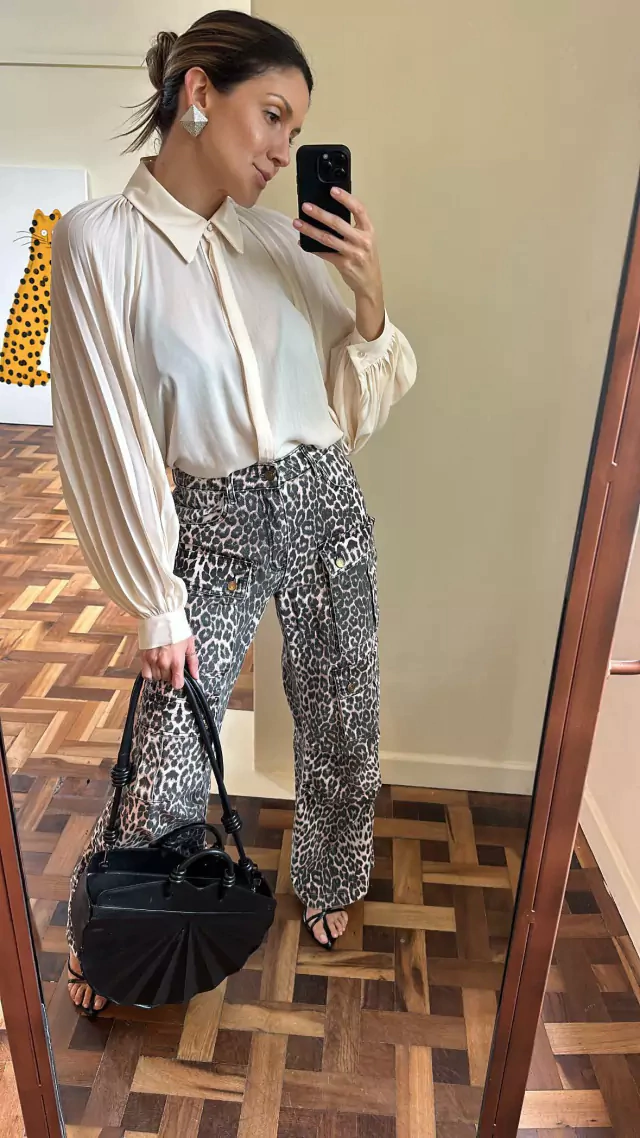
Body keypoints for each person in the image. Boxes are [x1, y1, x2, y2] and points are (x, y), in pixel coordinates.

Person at [51, 9, 416, 1015]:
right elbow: (109, 429)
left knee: (342, 708)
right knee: (171, 741)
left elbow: (356, 385)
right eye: (273, 115)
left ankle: (334, 872)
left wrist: (368, 290)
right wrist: (154, 599)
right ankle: (120, 931)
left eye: (297, 130)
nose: (283, 149)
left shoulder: (272, 241)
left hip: (324, 492)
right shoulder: (100, 241)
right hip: (211, 515)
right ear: (200, 92)